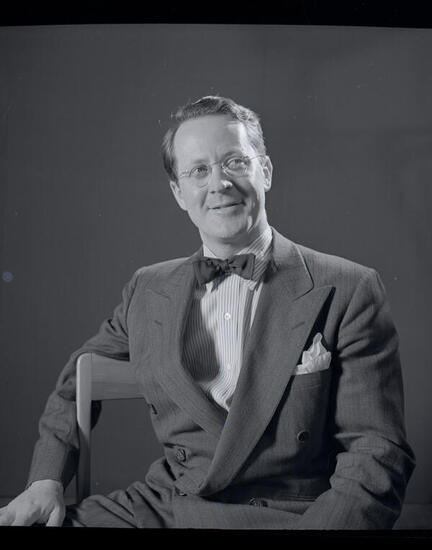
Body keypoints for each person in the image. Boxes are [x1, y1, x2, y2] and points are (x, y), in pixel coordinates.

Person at [0, 96, 415, 529]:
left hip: (293, 516)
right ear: (178, 193)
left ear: (265, 171)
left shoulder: (349, 287)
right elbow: (76, 381)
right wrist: (45, 480)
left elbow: (377, 452)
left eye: (235, 162)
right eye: (198, 170)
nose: (219, 183)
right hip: (167, 508)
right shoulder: (148, 288)